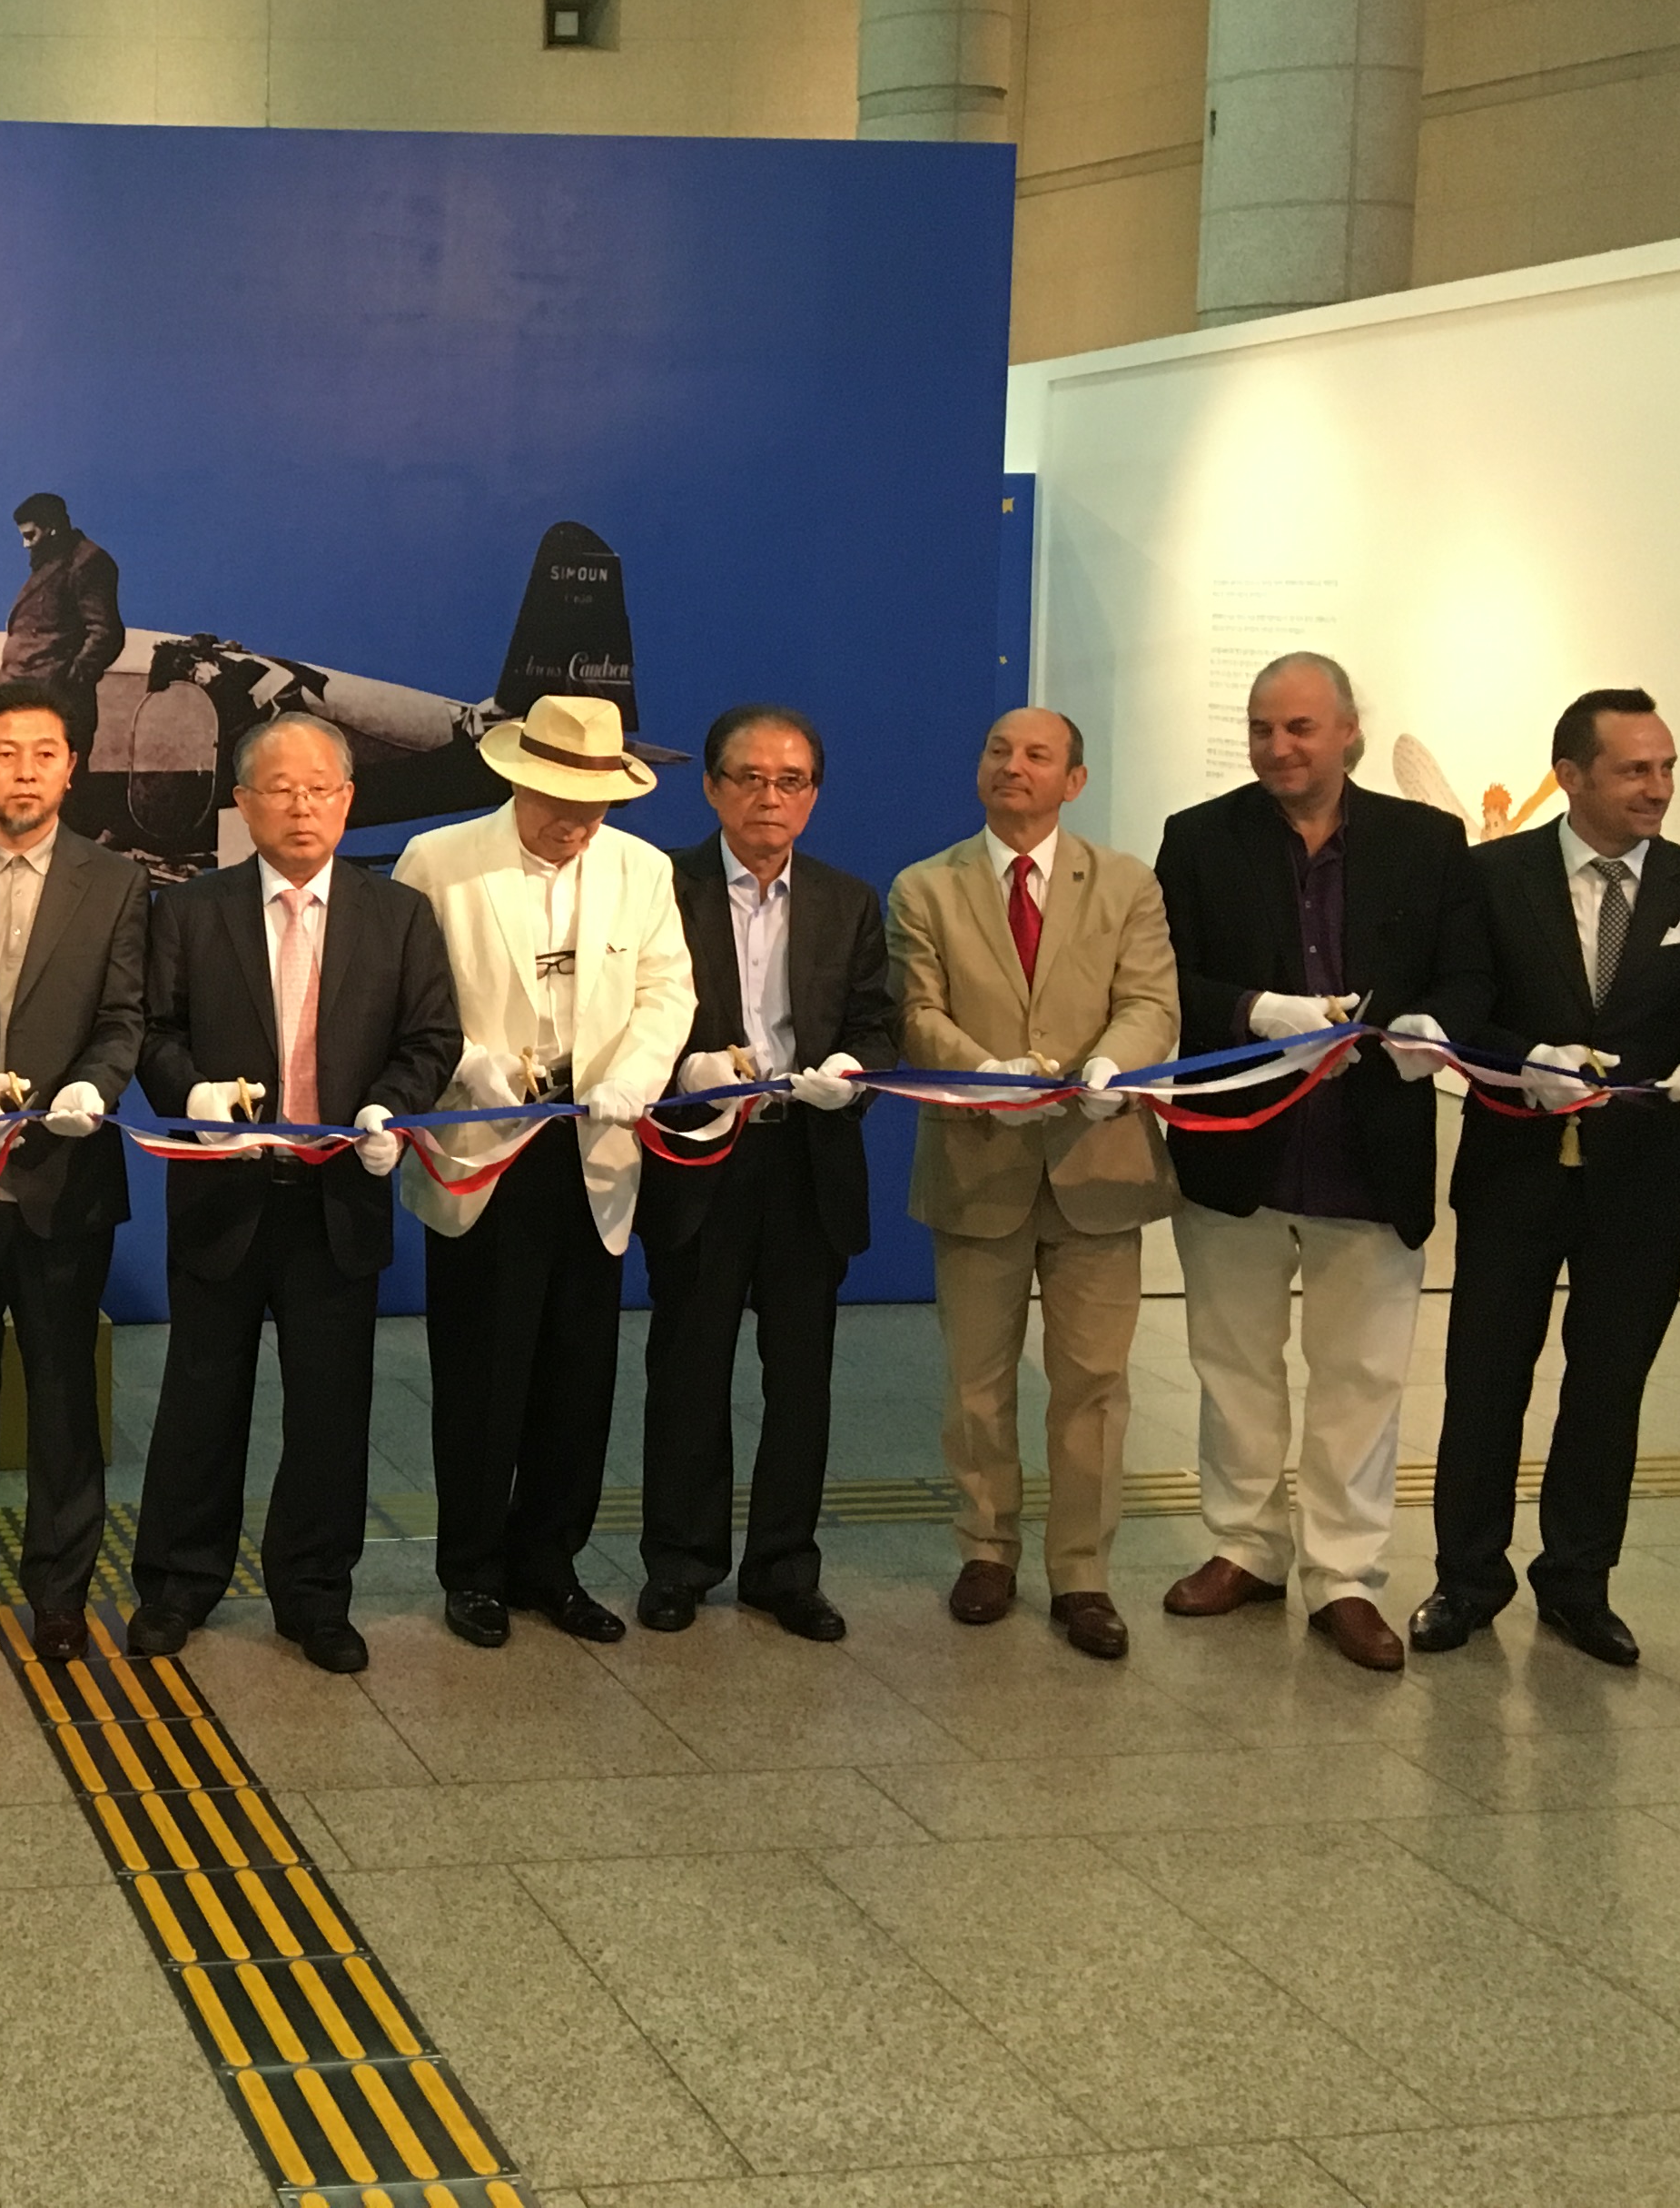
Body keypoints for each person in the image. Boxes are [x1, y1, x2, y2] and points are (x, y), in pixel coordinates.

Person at [1152, 653, 1488, 1673]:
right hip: (1240, 1149)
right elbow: (1164, 976)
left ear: (1348, 728)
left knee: (1361, 1375)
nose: (1277, 748)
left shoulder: (1428, 843)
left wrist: (1435, 1025)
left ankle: (1344, 1574)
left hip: (1368, 1150)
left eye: (1299, 727)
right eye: (1262, 728)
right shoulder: (1200, 837)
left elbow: (1470, 970)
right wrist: (1255, 1010)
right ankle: (1245, 1546)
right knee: (1234, 1365)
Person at [1415, 688, 1680, 1668]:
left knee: (1609, 1387)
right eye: (1635, 770)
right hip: (1516, 1169)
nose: (1659, 789)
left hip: (1640, 1184)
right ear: (1571, 777)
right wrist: (1525, 1055)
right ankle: (1468, 1577)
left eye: (1668, 768)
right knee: (1484, 1380)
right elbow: (1464, 1005)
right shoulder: (1490, 876)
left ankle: (1578, 1580)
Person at [128, 714, 459, 1673]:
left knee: (330, 1409)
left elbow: (431, 1040)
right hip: (225, 1198)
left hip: (338, 1199)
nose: (301, 803)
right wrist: (190, 1094)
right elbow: (152, 1029)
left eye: (321, 787)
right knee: (201, 1396)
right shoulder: (190, 909)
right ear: (242, 804)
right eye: (279, 787)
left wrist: (391, 1111)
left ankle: (315, 1595)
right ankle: (176, 1585)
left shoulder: (397, 915)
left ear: (350, 801)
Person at [392, 696, 695, 1649]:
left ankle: (550, 1561)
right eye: (559, 799)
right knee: (483, 1369)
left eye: (595, 804)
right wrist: (467, 1057)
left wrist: (639, 1074)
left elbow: (666, 988)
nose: (575, 822)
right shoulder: (439, 863)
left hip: (595, 1142)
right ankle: (472, 1568)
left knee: (579, 1369)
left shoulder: (642, 871)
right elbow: (410, 993)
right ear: (518, 780)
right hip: (486, 1144)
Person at [886, 708, 1181, 1659]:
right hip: (978, 1160)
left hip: (1100, 1164)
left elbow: (1151, 1000)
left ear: (1075, 780)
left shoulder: (1126, 882)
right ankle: (986, 1550)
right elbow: (917, 1012)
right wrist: (987, 1075)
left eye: (1037, 755)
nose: (1014, 767)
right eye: (998, 751)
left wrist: (1109, 1067)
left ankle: (1083, 1575)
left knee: (1093, 1382)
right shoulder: (926, 887)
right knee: (976, 1381)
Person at [632, 705, 898, 1641]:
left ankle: (783, 1568)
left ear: (814, 798)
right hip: (704, 1153)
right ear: (710, 788)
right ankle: (681, 1562)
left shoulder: (849, 900)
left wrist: (852, 1080)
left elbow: (877, 1023)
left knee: (802, 1379)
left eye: (790, 781)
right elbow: (633, 1028)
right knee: (690, 1372)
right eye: (748, 777)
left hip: (806, 1158)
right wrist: (689, 1075)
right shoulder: (661, 888)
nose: (768, 797)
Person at [0, 678, 149, 1665]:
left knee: (62, 1399)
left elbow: (126, 1017)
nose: (24, 770)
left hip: (64, 1177)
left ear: (72, 767)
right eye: (3, 752)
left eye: (43, 753)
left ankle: (60, 1586)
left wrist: (92, 1087)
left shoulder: (118, 880)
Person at [1, 493, 124, 704]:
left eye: (30, 535)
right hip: (23, 694)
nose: (25, 545)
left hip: (57, 701)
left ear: (52, 528)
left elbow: (106, 634)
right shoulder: (50, 561)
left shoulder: (87, 562)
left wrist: (66, 682)